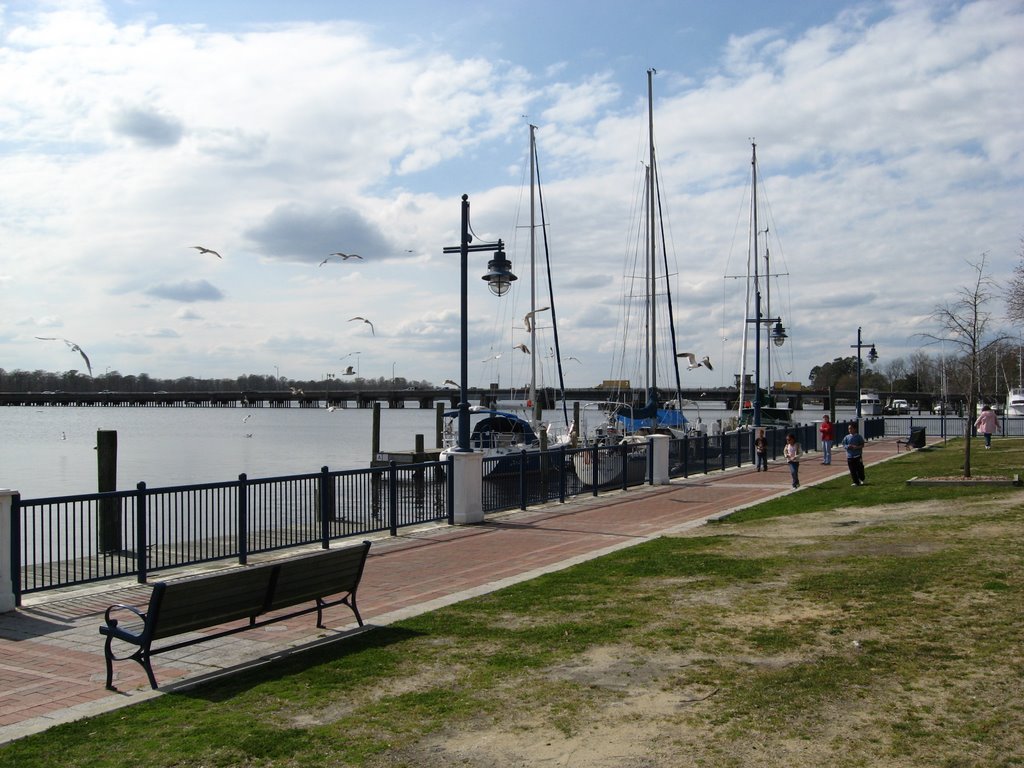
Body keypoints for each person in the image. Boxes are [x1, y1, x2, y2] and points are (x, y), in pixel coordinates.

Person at [841, 422, 866, 486]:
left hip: (857, 456)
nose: (850, 430)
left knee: (860, 469)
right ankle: (855, 482)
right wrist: (847, 446)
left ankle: (862, 479)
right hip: (850, 457)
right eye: (849, 429)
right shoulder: (846, 437)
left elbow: (862, 445)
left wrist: (856, 447)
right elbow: (843, 444)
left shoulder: (858, 437)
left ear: (855, 429)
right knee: (852, 470)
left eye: (851, 428)